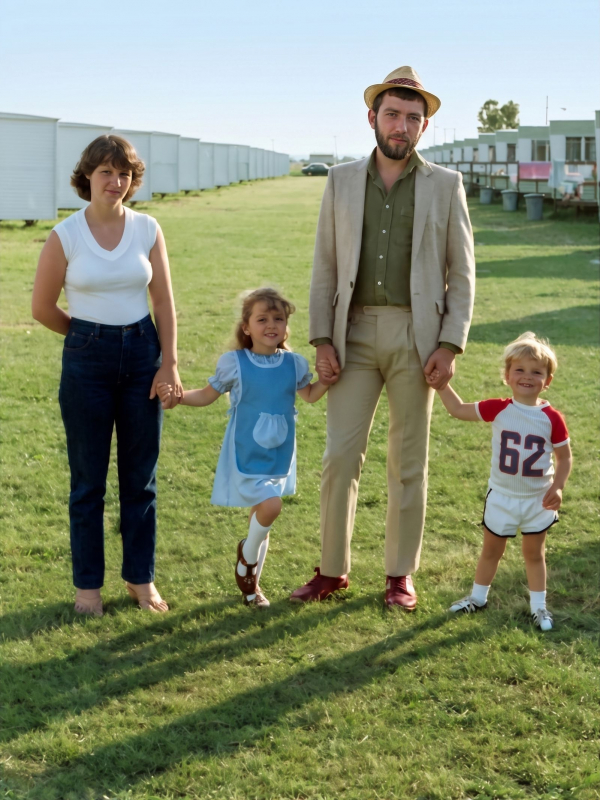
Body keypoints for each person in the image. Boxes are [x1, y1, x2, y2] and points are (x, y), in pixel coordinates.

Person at [291, 66, 476, 608]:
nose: (401, 126)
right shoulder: (342, 180)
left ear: (424, 128)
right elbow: (325, 264)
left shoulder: (447, 185)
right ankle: (331, 570)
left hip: (418, 338)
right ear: (372, 117)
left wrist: (450, 343)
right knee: (341, 457)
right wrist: (321, 337)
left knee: (408, 460)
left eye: (413, 119)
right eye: (392, 115)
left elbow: (462, 274)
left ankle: (400, 575)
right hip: (352, 335)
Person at [31, 135, 182, 616]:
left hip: (143, 355)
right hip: (87, 361)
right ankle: (87, 589)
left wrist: (169, 361)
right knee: (88, 481)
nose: (115, 183)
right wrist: (85, 337)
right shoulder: (65, 235)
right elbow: (41, 307)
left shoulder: (148, 229)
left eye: (124, 174)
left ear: (132, 181)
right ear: (87, 177)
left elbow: (162, 301)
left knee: (141, 479)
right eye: (105, 173)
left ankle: (141, 580)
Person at [157, 288, 328, 608]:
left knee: (260, 520)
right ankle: (245, 561)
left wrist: (327, 381)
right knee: (271, 506)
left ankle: (252, 590)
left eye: (279, 318)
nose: (271, 325)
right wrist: (177, 398)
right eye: (262, 319)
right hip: (245, 453)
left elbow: (310, 395)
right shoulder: (235, 363)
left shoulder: (294, 364)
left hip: (279, 454)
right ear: (247, 327)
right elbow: (207, 395)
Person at [435, 333, 572, 631]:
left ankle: (539, 608)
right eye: (520, 370)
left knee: (534, 554)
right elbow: (457, 410)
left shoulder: (552, 418)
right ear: (507, 375)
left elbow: (565, 458)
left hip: (537, 499)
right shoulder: (498, 408)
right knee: (490, 551)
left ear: (547, 380)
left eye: (537, 372)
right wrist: (442, 385)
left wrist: (558, 486)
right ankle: (477, 598)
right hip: (502, 497)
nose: (527, 376)